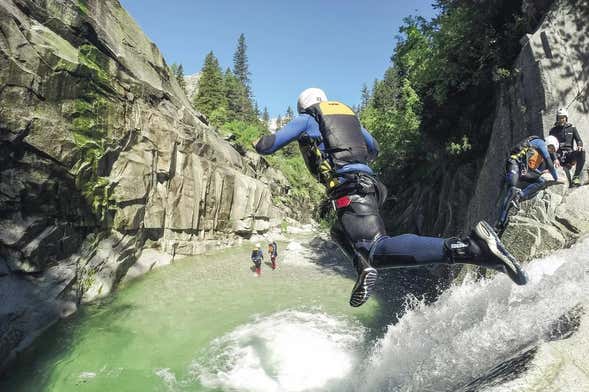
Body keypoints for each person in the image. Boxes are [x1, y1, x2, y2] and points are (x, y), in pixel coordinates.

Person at [253, 87, 528, 307]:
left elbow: (268, 146)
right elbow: (374, 148)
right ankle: (363, 268)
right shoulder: (347, 119)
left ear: (305, 105)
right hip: (368, 185)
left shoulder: (307, 119)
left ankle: (470, 247)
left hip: (350, 188)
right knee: (338, 230)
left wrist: (257, 142)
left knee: (375, 249)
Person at [494, 135, 559, 236]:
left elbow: (530, 167)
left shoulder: (538, 150)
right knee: (512, 190)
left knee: (540, 181)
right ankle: (498, 224)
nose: (550, 151)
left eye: (552, 150)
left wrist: (540, 173)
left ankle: (520, 195)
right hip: (514, 163)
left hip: (522, 170)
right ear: (548, 143)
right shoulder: (541, 143)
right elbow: (549, 163)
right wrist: (555, 177)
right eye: (551, 148)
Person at [549, 108, 585, 187]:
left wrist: (579, 146)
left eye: (563, 117)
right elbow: (550, 147)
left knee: (582, 151)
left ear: (566, 118)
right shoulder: (553, 131)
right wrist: (555, 158)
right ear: (557, 118)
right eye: (560, 117)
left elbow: (579, 140)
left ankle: (576, 177)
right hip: (558, 156)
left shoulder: (572, 128)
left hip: (569, 155)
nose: (561, 119)